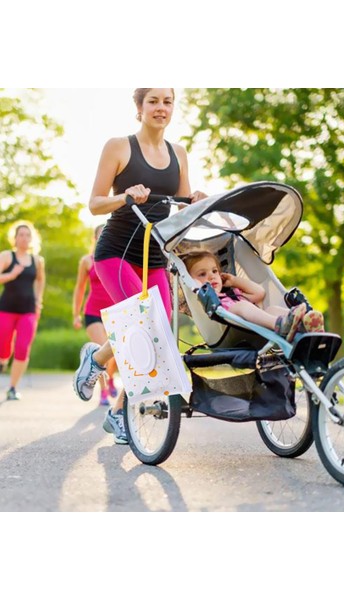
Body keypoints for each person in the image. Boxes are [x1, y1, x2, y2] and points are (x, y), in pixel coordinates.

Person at [73, 88, 207, 444]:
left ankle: (117, 411)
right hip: (115, 252)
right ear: (139, 107)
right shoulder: (119, 147)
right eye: (153, 101)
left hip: (154, 256)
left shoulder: (179, 153)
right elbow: (95, 203)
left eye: (167, 101)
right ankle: (98, 363)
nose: (161, 108)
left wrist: (194, 202)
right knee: (142, 324)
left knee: (160, 336)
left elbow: (182, 210)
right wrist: (125, 196)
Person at [183, 251, 325, 341]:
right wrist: (196, 285)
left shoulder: (234, 293)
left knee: (272, 309)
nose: (211, 276)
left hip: (259, 323)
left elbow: (260, 293)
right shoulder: (210, 301)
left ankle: (305, 325)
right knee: (243, 305)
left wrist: (234, 281)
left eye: (215, 271)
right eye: (202, 274)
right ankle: (281, 324)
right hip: (233, 330)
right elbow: (195, 288)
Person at [72, 225, 119, 407]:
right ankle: (104, 392)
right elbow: (79, 289)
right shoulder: (87, 261)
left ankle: (111, 379)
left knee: (114, 355)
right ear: (95, 238)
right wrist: (75, 315)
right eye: (100, 235)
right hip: (93, 312)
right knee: (102, 350)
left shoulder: (118, 259)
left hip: (115, 313)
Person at [0, 221, 45, 400]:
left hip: (28, 311)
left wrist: (38, 301)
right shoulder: (7, 256)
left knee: (22, 348)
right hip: (6, 309)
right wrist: (11, 275)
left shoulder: (37, 260)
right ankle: (3, 360)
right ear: (15, 237)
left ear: (31, 238)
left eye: (27, 235)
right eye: (21, 234)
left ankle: (12, 387)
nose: (24, 238)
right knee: (3, 345)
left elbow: (41, 281)